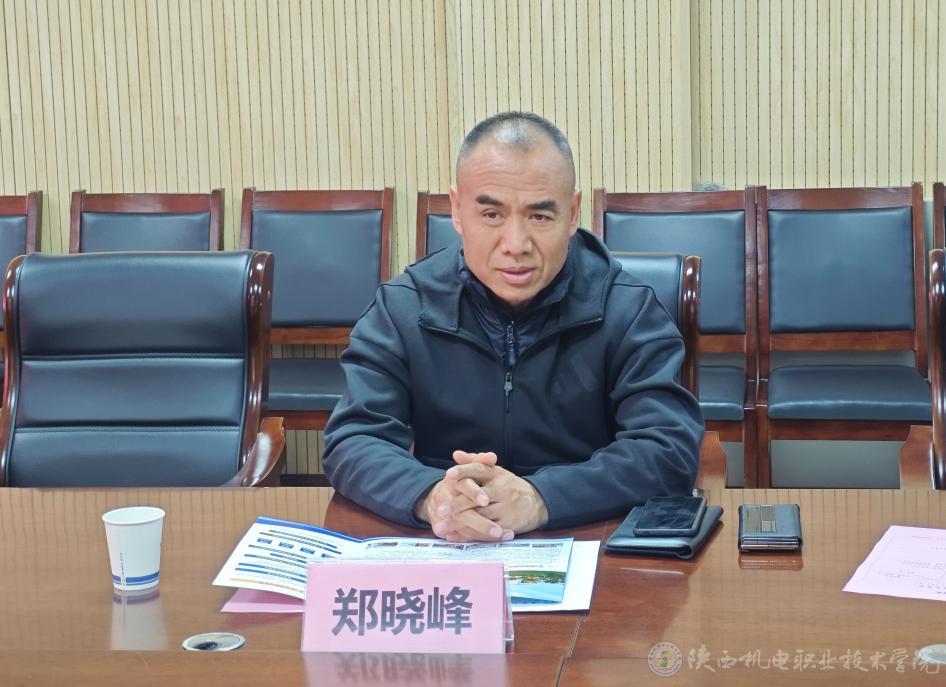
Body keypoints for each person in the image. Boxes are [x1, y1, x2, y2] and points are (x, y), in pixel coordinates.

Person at [323, 111, 703, 542]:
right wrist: (432, 496)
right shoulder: (404, 307)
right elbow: (353, 440)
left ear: (572, 213)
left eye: (539, 217)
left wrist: (541, 498)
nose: (516, 245)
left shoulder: (628, 310)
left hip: (586, 537)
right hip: (450, 541)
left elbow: (668, 448)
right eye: (491, 215)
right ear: (457, 211)